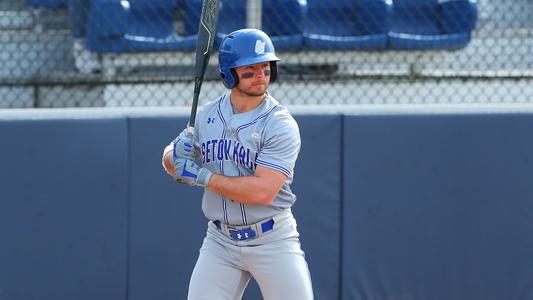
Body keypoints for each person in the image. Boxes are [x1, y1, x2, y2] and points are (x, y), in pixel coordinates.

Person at [162, 28, 314, 300]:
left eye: (266, 67)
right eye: (250, 69)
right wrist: (173, 154)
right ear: (229, 73)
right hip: (220, 242)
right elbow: (172, 164)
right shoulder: (207, 114)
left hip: (272, 238)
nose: (260, 76)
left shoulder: (280, 124)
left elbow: (263, 192)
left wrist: (202, 177)